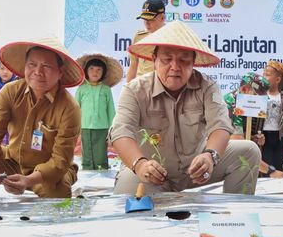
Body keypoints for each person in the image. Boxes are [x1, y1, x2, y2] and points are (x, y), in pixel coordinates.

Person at [110, 21, 261, 195]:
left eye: (184, 60)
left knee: (249, 151)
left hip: (195, 170)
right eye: (167, 59)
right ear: (154, 60)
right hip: (149, 173)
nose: (175, 66)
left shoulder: (207, 86)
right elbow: (121, 132)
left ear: (193, 62)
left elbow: (220, 126)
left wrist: (210, 156)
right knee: (127, 201)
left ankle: (235, 218)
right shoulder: (134, 91)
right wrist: (140, 164)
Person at [0, 37, 85, 198]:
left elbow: (60, 161)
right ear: (25, 66)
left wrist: (28, 181)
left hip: (48, 171)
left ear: (60, 73)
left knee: (57, 193)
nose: (38, 72)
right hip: (13, 160)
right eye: (32, 65)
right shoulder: (10, 92)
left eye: (47, 66)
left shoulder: (70, 108)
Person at [74, 53, 122, 170]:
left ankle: (102, 167)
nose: (95, 72)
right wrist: (74, 126)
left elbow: (111, 109)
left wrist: (112, 128)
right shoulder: (81, 89)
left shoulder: (106, 90)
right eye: (92, 69)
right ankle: (87, 167)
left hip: (102, 127)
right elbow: (75, 109)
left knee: (100, 150)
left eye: (99, 70)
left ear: (103, 73)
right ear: (86, 71)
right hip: (85, 126)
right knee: (87, 149)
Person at [261, 61, 283, 176]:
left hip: (279, 136)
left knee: (279, 161)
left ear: (278, 80)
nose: (264, 77)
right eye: (264, 74)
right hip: (264, 135)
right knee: (265, 161)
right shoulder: (260, 94)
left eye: (268, 74)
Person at [125, 0, 166, 83]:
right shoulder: (139, 36)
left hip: (162, 86)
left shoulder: (171, 36)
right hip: (141, 86)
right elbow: (133, 65)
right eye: (144, 19)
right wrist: (127, 89)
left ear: (162, 18)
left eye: (151, 20)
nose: (147, 23)